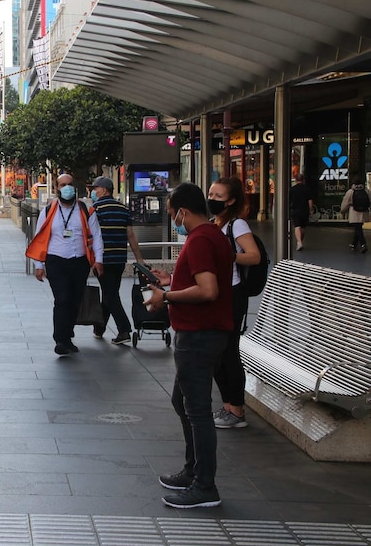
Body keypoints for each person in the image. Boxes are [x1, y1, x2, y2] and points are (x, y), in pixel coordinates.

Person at [143, 182, 234, 509]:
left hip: (200, 335)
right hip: (203, 332)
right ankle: (193, 470)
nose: (174, 221)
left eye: (173, 215)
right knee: (182, 403)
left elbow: (208, 290)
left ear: (182, 211)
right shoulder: (212, 236)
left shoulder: (199, 241)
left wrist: (165, 296)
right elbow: (203, 281)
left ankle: (204, 485)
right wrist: (170, 282)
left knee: (196, 411)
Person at [26, 173, 104, 355]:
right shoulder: (48, 211)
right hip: (56, 261)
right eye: (62, 185)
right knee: (62, 300)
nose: (67, 188)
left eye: (69, 184)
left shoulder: (86, 210)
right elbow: (39, 237)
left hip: (79, 261)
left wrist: (98, 260)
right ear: (57, 188)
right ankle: (60, 339)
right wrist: (39, 265)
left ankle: (67, 334)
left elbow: (97, 236)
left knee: (75, 300)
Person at [207, 177, 261, 429]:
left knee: (228, 352)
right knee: (216, 352)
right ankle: (228, 405)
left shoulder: (236, 225)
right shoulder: (213, 224)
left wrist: (230, 256)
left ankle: (237, 410)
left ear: (230, 200)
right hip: (215, 293)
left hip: (232, 294)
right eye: (211, 194)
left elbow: (254, 256)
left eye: (218, 196)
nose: (212, 200)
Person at [90, 176, 145, 345]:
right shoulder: (123, 209)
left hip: (103, 259)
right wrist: (139, 259)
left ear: (104, 190)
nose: (93, 191)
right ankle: (99, 328)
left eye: (96, 188)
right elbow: (130, 235)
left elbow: (90, 235)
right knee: (110, 292)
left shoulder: (95, 209)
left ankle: (124, 329)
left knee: (110, 294)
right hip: (119, 259)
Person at [341, 177, 371, 253]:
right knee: (358, 227)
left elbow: (345, 202)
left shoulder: (351, 192)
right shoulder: (366, 191)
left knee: (358, 229)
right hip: (364, 212)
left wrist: (343, 211)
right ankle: (353, 243)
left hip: (354, 213)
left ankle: (363, 244)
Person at [289, 174, 313, 251]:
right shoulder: (306, 189)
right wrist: (311, 210)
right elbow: (310, 200)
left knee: (297, 226)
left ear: (295, 181)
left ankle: (299, 242)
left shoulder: (292, 189)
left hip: (295, 210)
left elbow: (288, 201)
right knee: (303, 227)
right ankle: (300, 241)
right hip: (304, 210)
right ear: (303, 180)